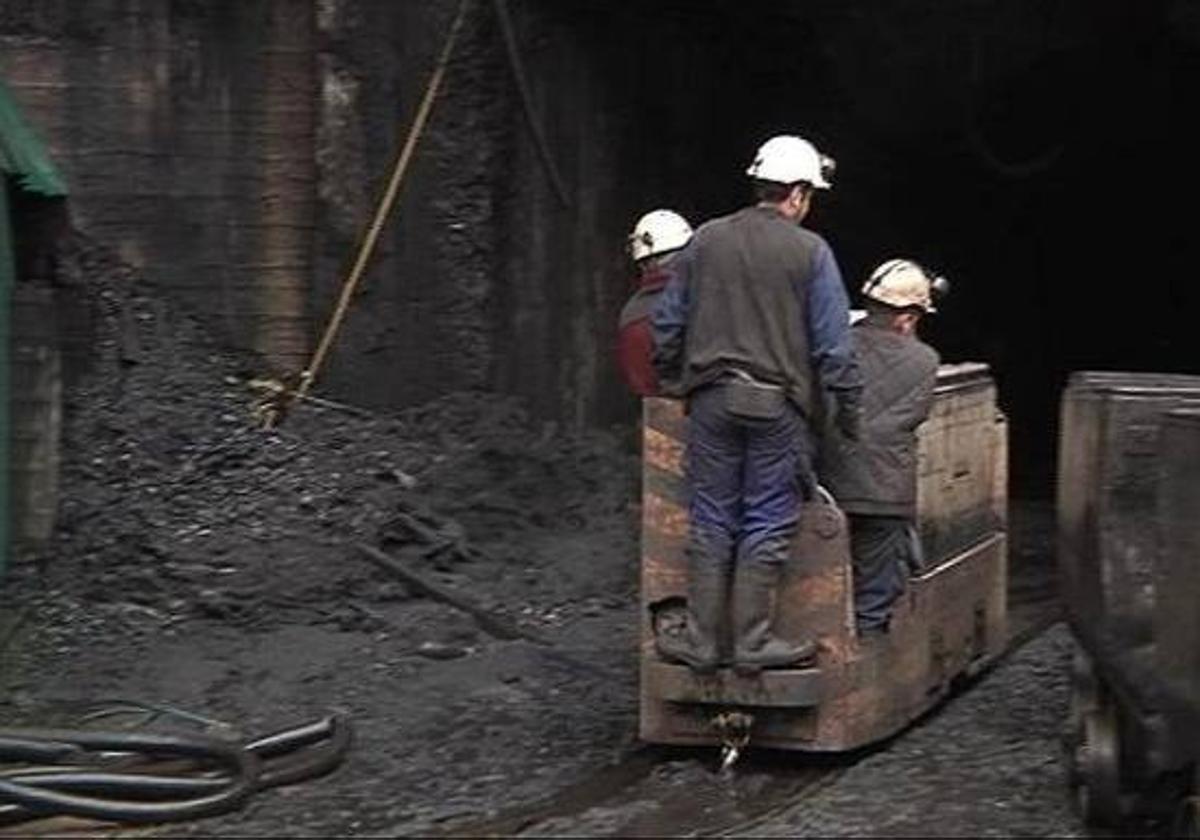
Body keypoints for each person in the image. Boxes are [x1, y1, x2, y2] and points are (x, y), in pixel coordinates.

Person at [650, 134, 863, 676]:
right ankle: (750, 643)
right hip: (776, 406)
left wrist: (676, 378)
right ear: (795, 193)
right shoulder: (811, 252)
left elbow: (668, 322)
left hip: (712, 400)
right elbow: (833, 345)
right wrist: (849, 408)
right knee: (766, 519)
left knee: (711, 518)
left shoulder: (703, 242)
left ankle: (701, 642)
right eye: (808, 194)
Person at [819, 258, 946, 637]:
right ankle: (869, 657)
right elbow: (914, 415)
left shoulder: (833, 346)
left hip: (829, 484)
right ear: (907, 317)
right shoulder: (925, 360)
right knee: (876, 588)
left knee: (818, 577)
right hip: (884, 494)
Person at [616, 209, 694, 397]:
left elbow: (639, 380)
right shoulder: (705, 296)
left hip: (656, 413)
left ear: (642, 263)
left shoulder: (632, 313)